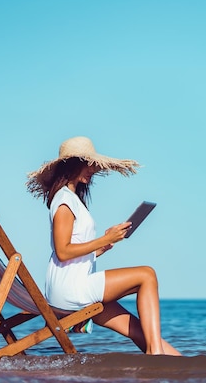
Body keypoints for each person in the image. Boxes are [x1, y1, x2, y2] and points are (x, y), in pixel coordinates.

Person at [27, 136, 181, 356]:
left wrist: (103, 246)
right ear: (72, 164)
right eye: (88, 163)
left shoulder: (71, 199)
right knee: (147, 275)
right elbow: (62, 252)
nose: (93, 169)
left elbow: (73, 251)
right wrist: (104, 240)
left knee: (138, 329)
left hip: (75, 285)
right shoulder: (64, 202)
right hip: (71, 290)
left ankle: (186, 369)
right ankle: (155, 355)